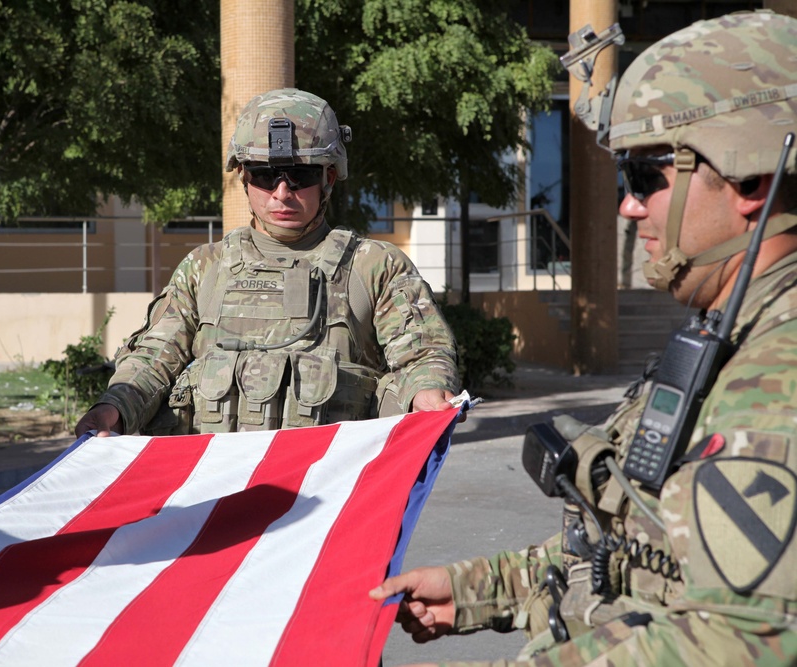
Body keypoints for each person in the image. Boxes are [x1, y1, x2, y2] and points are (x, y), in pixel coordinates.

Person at [370, 11, 797, 666]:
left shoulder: (778, 376)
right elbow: (643, 548)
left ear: (750, 180)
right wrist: (481, 590)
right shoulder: (731, 330)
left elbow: (738, 641)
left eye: (644, 175)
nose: (628, 205)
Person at [75, 89, 459, 438]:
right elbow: (154, 359)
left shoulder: (373, 266)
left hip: (326, 489)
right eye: (265, 175)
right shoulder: (205, 267)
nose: (281, 192)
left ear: (328, 177)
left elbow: (422, 355)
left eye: (300, 175)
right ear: (243, 177)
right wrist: (114, 408)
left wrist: (426, 390)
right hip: (213, 490)